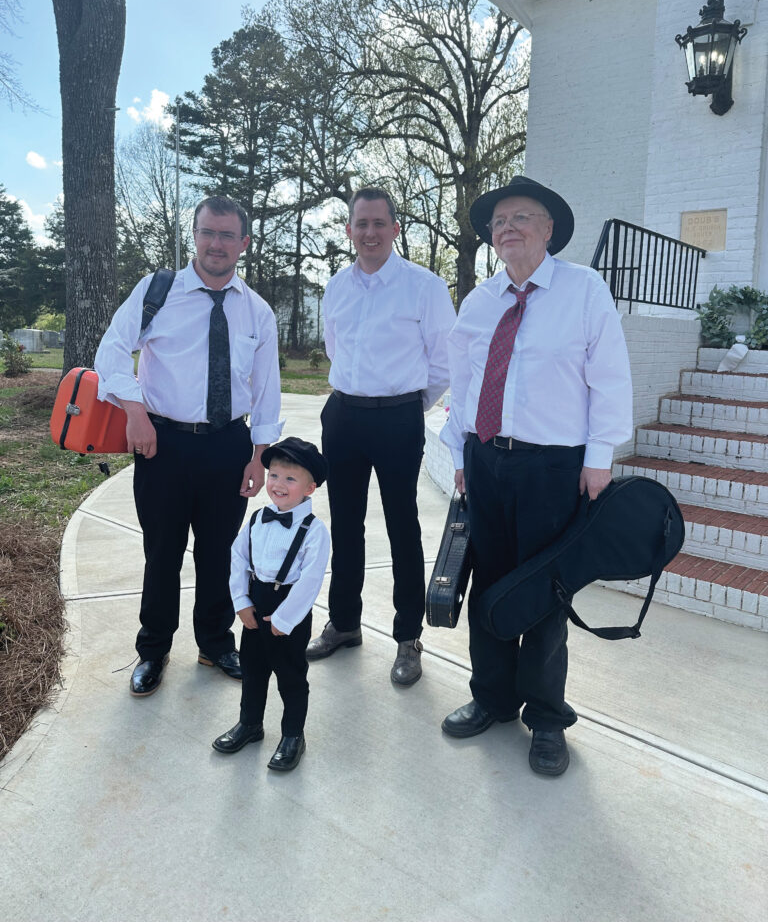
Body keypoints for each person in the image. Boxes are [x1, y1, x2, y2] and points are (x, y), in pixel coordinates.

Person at [440, 176, 632, 776]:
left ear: (548, 230)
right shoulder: (478, 302)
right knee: (488, 584)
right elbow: (465, 386)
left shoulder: (584, 291)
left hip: (555, 467)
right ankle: (491, 698)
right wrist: (462, 457)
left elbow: (610, 378)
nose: (509, 228)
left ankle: (546, 718)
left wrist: (599, 457)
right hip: (488, 462)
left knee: (546, 594)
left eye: (522, 217)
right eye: (499, 221)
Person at [94, 195, 282, 697]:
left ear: (243, 242)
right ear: (193, 234)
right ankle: (153, 649)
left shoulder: (257, 312)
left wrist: (259, 455)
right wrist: (134, 411)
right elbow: (111, 349)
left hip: (227, 446)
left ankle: (216, 642)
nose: (216, 243)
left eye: (227, 235)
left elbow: (267, 389)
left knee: (219, 553)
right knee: (162, 552)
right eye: (207, 232)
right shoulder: (158, 291)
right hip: (163, 445)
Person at [307, 186, 456, 685]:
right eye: (360, 224)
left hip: (398, 417)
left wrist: (408, 407)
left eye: (378, 223)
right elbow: (335, 349)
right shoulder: (336, 287)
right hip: (344, 415)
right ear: (348, 230)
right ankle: (345, 623)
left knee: (402, 527)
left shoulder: (425, 287)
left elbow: (442, 363)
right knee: (345, 524)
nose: (369, 233)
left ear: (395, 228)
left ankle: (408, 636)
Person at [213, 437, 330, 772]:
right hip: (254, 600)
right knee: (253, 669)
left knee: (291, 676)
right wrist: (240, 600)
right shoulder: (256, 519)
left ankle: (293, 735)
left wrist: (285, 618)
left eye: (291, 479)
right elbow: (237, 558)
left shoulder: (314, 531)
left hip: (288, 608)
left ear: (310, 488)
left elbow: (310, 581)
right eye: (275, 475)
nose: (279, 484)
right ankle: (250, 724)